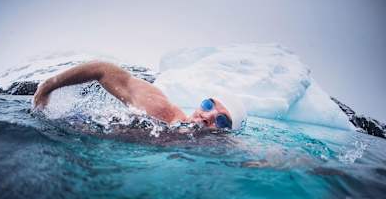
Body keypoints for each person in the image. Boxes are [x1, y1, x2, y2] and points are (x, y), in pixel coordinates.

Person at [33, 61, 246, 130]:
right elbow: (102, 70)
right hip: (67, 127)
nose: (209, 116)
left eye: (221, 120)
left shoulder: (218, 148)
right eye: (209, 105)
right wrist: (47, 88)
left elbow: (265, 155)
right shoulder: (160, 109)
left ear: (227, 132)